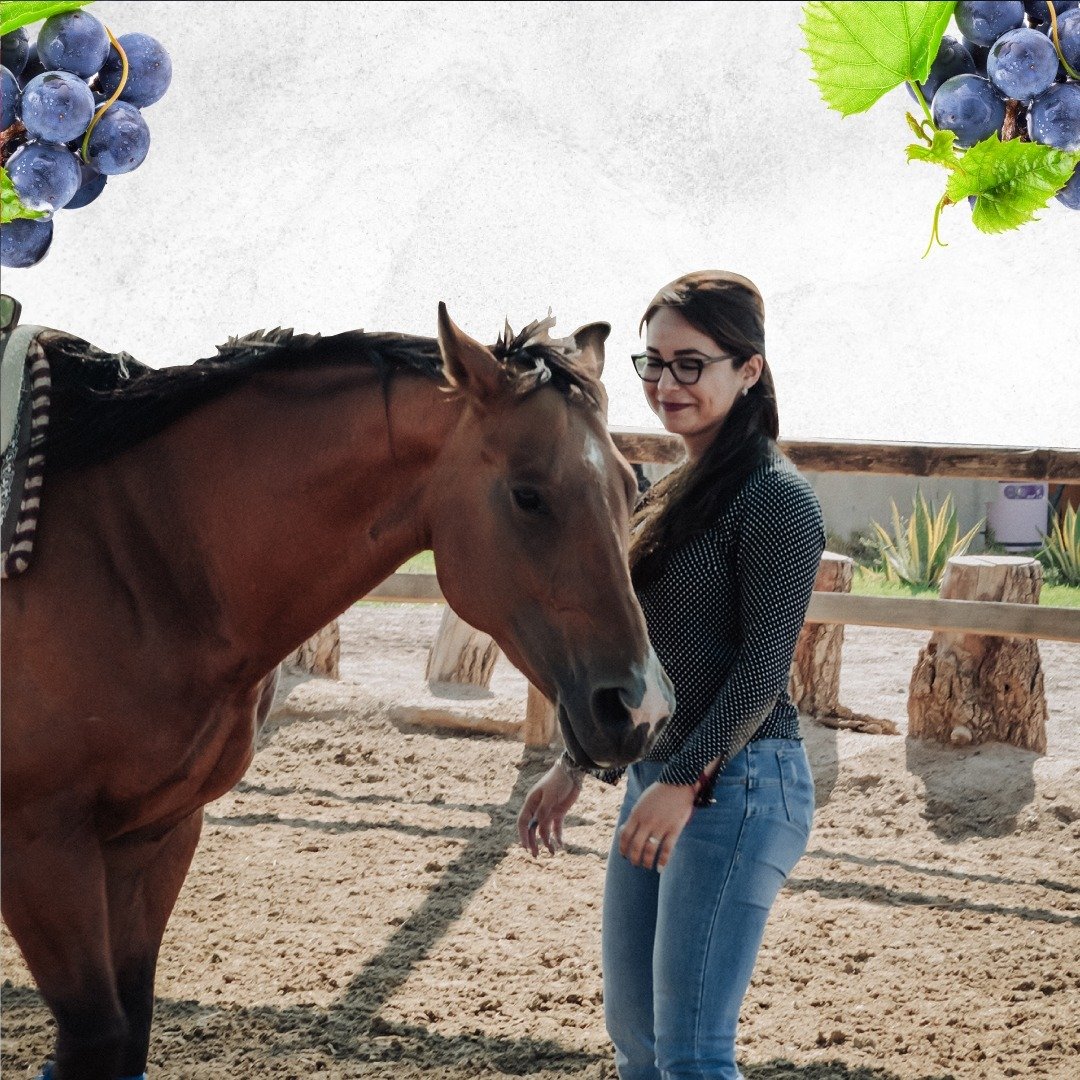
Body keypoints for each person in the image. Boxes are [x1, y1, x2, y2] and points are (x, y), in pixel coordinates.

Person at [516, 270, 826, 1080]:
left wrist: (683, 780)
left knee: (691, 1050)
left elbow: (762, 671)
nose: (666, 384)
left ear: (748, 370)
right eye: (653, 363)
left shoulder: (776, 499)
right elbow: (648, 655)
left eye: (691, 363)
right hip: (660, 777)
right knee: (639, 1039)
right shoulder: (668, 492)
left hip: (741, 786)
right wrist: (577, 762)